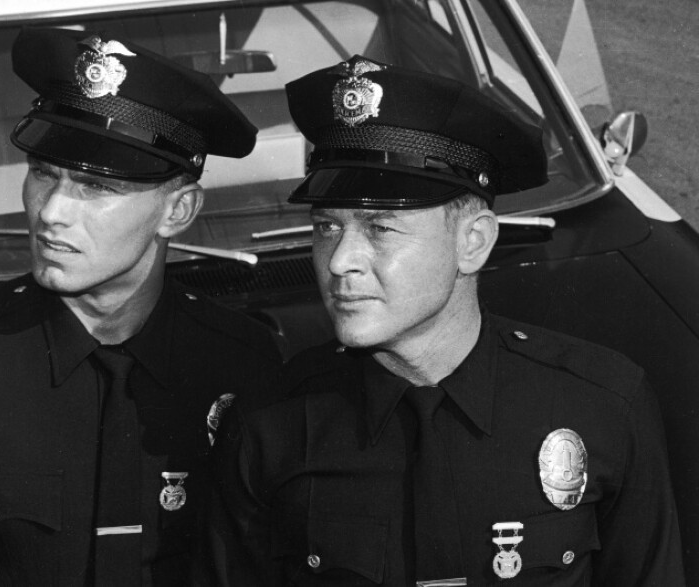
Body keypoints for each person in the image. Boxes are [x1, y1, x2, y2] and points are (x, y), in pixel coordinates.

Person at [202, 57, 685, 585]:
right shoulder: (271, 428)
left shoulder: (602, 405)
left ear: (471, 242)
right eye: (326, 228)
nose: (340, 261)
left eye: (381, 228)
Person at [0, 28, 281, 586]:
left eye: (95, 188)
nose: (51, 212)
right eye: (44, 174)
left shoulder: (244, 363)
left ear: (179, 211)